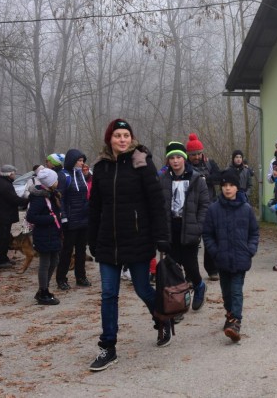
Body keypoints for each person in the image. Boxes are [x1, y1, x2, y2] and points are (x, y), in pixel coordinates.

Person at [88, 118, 170, 372]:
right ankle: (108, 347)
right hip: (108, 243)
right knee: (109, 295)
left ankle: (162, 319)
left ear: (131, 138)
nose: (122, 139)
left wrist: (162, 237)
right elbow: (95, 208)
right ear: (109, 139)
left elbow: (156, 203)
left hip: (138, 238)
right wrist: (92, 239)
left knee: (143, 288)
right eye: (117, 135)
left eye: (126, 135)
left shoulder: (141, 163)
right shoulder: (100, 167)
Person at [202, 170, 259, 343]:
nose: (228, 189)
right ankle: (230, 314)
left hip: (241, 258)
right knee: (226, 292)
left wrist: (250, 249)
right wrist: (215, 251)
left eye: (231, 185)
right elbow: (207, 234)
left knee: (236, 291)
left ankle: (235, 322)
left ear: (237, 188)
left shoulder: (246, 209)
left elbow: (254, 232)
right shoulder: (214, 209)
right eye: (225, 185)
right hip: (222, 259)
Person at [159, 141, 210, 313]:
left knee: (190, 264)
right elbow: (159, 204)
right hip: (170, 226)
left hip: (189, 226)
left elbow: (204, 205)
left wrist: (199, 226)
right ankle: (178, 298)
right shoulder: (164, 179)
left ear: (184, 158)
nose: (175, 161)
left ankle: (199, 285)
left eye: (178, 157)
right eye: (172, 158)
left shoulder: (197, 179)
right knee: (173, 264)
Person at [186, 133, 222, 280]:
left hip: (211, 205)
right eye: (193, 154)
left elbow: (219, 177)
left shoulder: (210, 163)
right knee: (192, 241)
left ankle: (212, 269)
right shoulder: (185, 166)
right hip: (192, 207)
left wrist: (205, 179)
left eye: (199, 153)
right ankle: (191, 273)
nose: (197, 157)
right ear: (188, 155)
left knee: (211, 238)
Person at [55, 149, 91, 290]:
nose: (82, 163)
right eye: (79, 161)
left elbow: (85, 196)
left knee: (81, 250)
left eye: (83, 161)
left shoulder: (81, 174)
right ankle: (61, 278)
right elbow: (60, 198)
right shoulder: (63, 176)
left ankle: (81, 277)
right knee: (67, 251)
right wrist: (63, 217)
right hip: (70, 221)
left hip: (83, 219)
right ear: (72, 160)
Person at [26, 168, 62, 305]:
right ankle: (43, 291)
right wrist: (50, 219)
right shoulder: (39, 198)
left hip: (53, 234)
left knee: (55, 260)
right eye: (56, 179)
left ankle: (44, 288)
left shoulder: (52, 194)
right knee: (45, 263)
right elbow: (31, 216)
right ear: (51, 182)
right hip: (44, 235)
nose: (58, 181)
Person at [0, 164, 28, 268]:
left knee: (5, 238)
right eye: (14, 173)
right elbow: (14, 199)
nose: (15, 175)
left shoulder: (3, 183)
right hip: (2, 217)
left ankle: (3, 258)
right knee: (2, 239)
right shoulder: (4, 185)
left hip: (3, 216)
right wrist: (29, 200)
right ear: (10, 174)